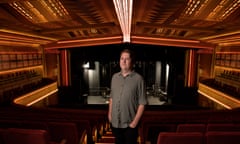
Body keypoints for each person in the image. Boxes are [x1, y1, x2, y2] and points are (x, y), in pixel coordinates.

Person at [108, 48, 147, 144]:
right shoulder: (114, 77)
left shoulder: (139, 79)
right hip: (115, 123)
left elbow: (142, 103)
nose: (124, 61)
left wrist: (134, 123)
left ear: (132, 62)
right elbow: (112, 98)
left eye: (127, 59)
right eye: (122, 58)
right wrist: (109, 114)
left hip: (130, 125)